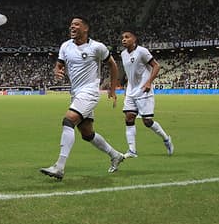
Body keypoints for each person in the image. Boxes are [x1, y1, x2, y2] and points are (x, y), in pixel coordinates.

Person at [40, 16, 125, 180]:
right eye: (71, 24)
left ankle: (59, 167)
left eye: (76, 25)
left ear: (85, 28)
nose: (72, 27)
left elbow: (113, 65)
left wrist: (112, 89)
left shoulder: (97, 47)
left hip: (90, 92)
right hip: (76, 93)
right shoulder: (65, 46)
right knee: (87, 133)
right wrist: (56, 70)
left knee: (68, 120)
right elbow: (59, 64)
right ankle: (116, 155)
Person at [119, 30, 173, 158]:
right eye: (122, 38)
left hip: (144, 90)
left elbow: (156, 66)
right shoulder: (123, 54)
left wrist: (149, 82)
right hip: (131, 91)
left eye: (127, 37)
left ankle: (166, 139)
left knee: (147, 121)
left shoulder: (142, 51)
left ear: (134, 38)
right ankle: (132, 150)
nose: (124, 40)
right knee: (129, 118)